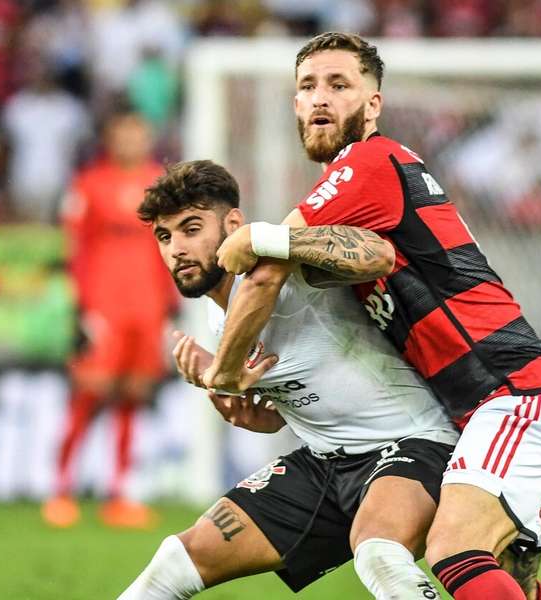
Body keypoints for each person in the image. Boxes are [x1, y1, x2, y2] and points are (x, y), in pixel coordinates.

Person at [205, 33, 541, 600]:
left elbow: (263, 264)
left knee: (455, 550)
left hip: (513, 391)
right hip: (483, 404)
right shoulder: (357, 186)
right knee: (509, 577)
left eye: (339, 85)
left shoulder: (369, 161)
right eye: (307, 87)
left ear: (373, 104)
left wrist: (226, 366)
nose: (320, 99)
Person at [120, 159, 459, 599]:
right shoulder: (215, 313)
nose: (176, 249)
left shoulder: (283, 267)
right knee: (177, 559)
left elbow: (378, 253)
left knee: (380, 556)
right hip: (324, 463)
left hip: (414, 445)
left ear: (234, 224)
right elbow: (290, 394)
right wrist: (264, 414)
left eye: (191, 228)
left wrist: (272, 241)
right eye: (164, 237)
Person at [42, 109, 177, 530]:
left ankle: (120, 495)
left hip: (148, 303)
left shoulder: (164, 185)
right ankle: (60, 490)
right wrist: (80, 305)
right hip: (104, 304)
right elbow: (74, 247)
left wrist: (172, 299)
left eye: (138, 132)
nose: (131, 141)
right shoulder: (89, 183)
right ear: (109, 138)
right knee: (88, 393)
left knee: (131, 398)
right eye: (123, 132)